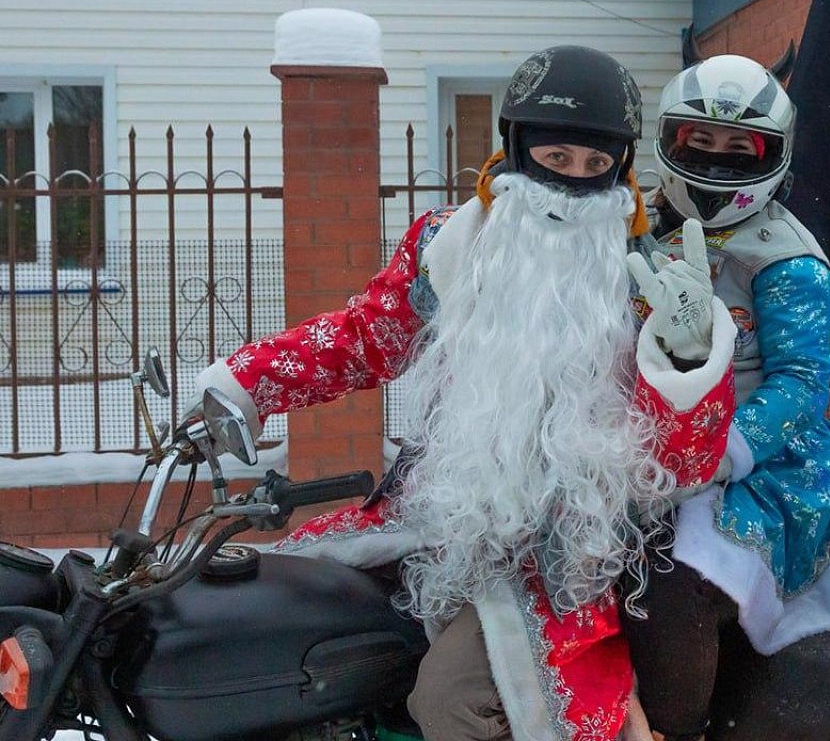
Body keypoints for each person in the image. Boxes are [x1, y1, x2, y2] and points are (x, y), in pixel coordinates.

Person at [193, 44, 740, 741]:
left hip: (561, 565)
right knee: (266, 620)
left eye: (594, 164)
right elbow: (364, 338)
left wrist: (688, 360)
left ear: (620, 168)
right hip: (437, 522)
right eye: (555, 157)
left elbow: (681, 465)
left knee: (453, 702)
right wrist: (246, 383)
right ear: (516, 148)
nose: (571, 184)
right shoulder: (449, 248)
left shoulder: (645, 283)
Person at [621, 52, 830, 741]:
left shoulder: (785, 257)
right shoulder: (637, 226)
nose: (715, 158)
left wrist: (721, 452)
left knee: (672, 577)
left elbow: (801, 383)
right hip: (641, 439)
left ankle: (677, 728)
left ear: (773, 154)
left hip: (757, 461)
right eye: (699, 141)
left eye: (740, 149)